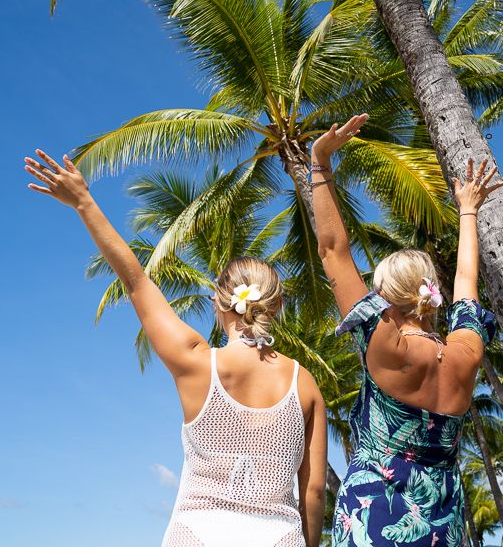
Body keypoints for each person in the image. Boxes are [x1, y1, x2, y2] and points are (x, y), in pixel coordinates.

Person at [23, 150, 328, 547]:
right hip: (279, 536)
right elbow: (315, 490)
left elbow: (136, 281)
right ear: (278, 306)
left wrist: (84, 201)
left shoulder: (197, 362)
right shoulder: (304, 384)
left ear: (220, 304)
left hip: (197, 532)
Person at [310, 115, 502, 546]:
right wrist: (467, 210)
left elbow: (332, 251)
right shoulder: (464, 352)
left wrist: (319, 163)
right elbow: (467, 281)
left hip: (375, 518)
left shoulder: (386, 345)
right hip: (443, 527)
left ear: (385, 297)